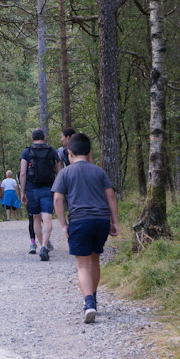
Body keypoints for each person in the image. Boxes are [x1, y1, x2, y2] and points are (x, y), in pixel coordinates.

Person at [52, 133, 119, 323]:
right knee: (95, 259)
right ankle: (94, 298)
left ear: (69, 153)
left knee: (82, 264)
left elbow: (57, 199)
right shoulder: (99, 172)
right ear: (90, 152)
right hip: (100, 221)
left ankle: (89, 303)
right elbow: (111, 197)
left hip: (80, 221)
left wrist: (63, 224)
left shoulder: (65, 173)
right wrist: (115, 222)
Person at [19, 128, 61, 261]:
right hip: (48, 187)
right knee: (47, 218)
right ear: (44, 137)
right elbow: (58, 169)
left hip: (32, 188)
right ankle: (44, 246)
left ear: (32, 138)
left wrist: (22, 191)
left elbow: (23, 173)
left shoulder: (27, 152)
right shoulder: (51, 150)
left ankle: (42, 245)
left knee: (36, 219)